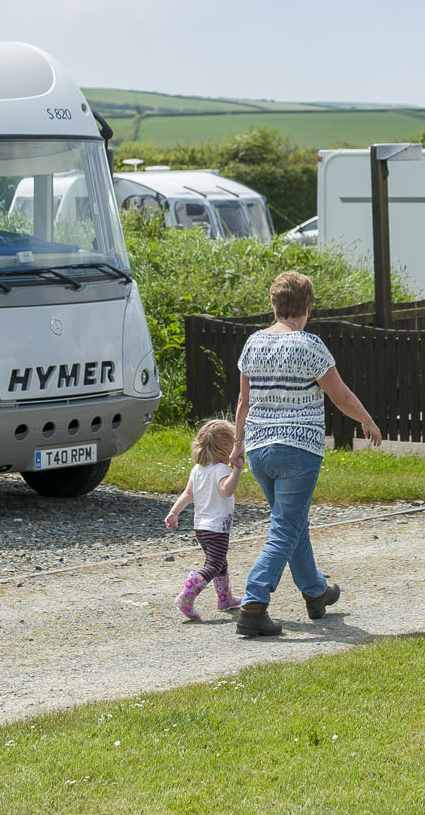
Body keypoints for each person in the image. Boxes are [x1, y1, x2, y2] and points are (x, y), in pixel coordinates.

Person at [231, 270, 383, 638]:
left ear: (274, 304)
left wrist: (238, 444)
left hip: (259, 450)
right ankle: (253, 605)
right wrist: (367, 419)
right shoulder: (309, 344)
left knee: (291, 521)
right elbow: (340, 395)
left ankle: (316, 593)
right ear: (308, 307)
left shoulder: (253, 343)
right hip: (298, 450)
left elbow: (243, 402)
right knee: (284, 526)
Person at [163, 418, 243, 620]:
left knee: (220, 562)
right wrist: (237, 469)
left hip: (201, 527)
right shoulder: (221, 470)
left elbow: (188, 494)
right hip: (217, 528)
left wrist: (174, 512)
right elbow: (227, 490)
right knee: (214, 565)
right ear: (227, 447)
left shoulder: (197, 469)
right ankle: (186, 596)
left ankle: (225, 599)